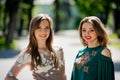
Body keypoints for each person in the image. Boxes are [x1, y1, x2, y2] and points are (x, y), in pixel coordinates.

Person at [5, 14, 66, 80]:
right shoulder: (28, 54)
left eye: (46, 28)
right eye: (39, 28)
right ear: (33, 30)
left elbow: (63, 77)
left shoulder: (59, 50)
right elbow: (8, 77)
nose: (43, 31)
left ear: (50, 30)